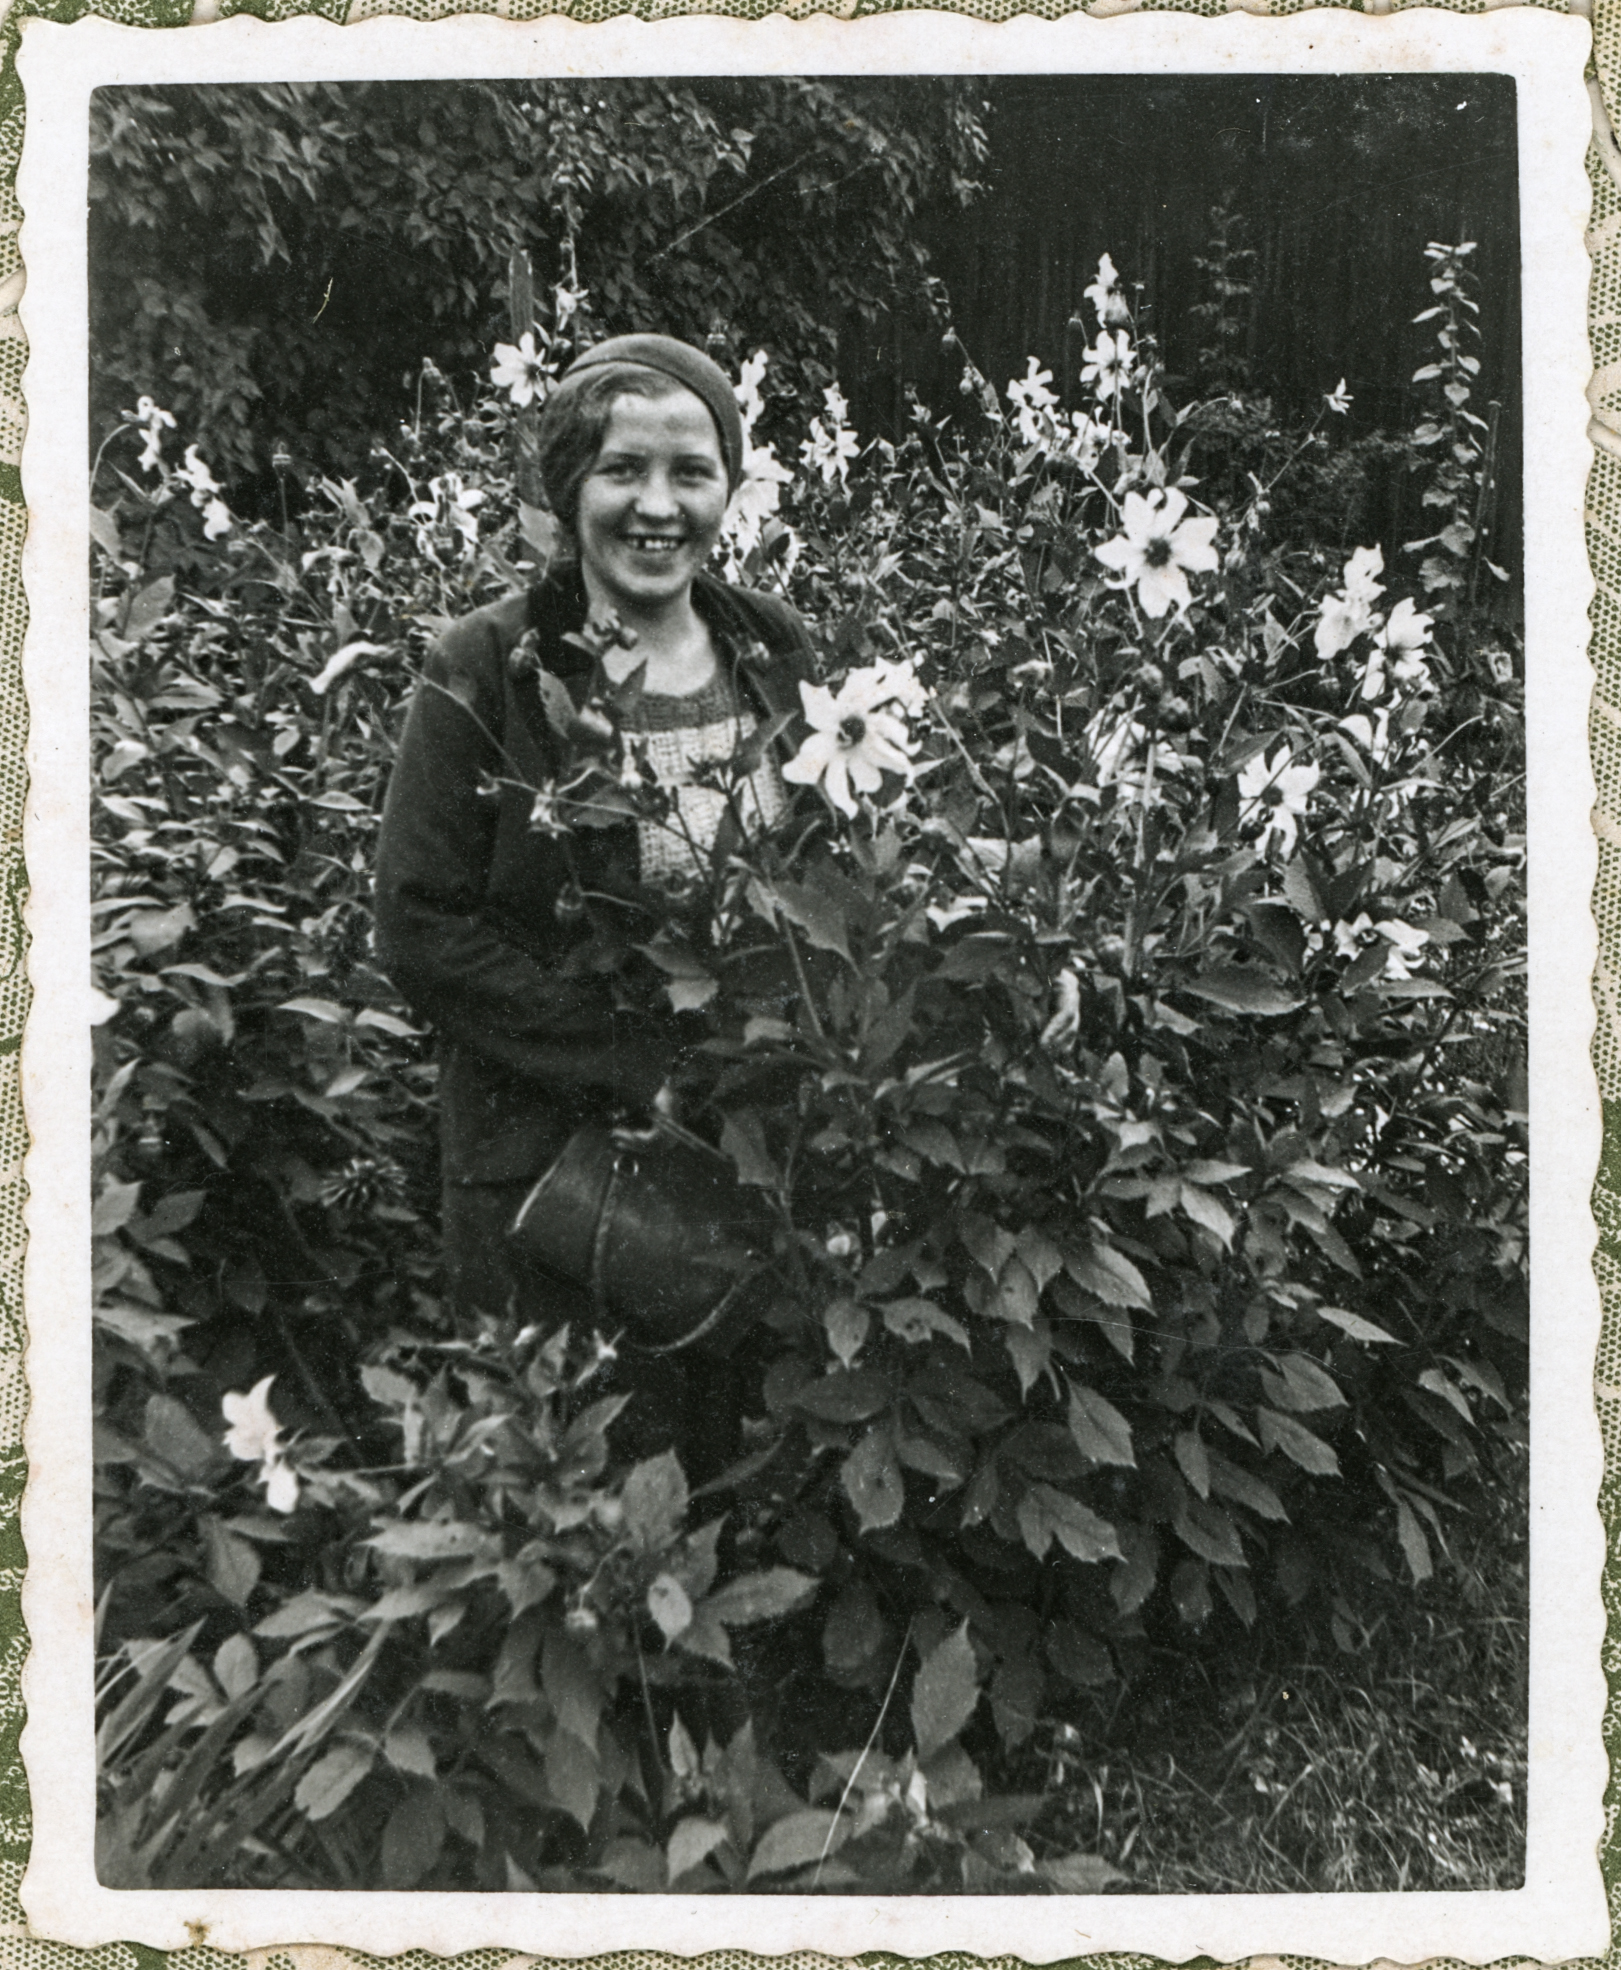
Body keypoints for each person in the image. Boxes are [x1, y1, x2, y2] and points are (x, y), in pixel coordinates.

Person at [373, 335, 816, 1450]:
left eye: (691, 471)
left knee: (735, 1468)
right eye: (623, 469)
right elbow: (419, 926)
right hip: (552, 1177)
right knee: (572, 1480)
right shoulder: (488, 662)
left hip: (750, 1154)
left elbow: (833, 865)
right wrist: (636, 1058)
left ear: (728, 486)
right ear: (570, 486)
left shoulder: (772, 648)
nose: (657, 506)